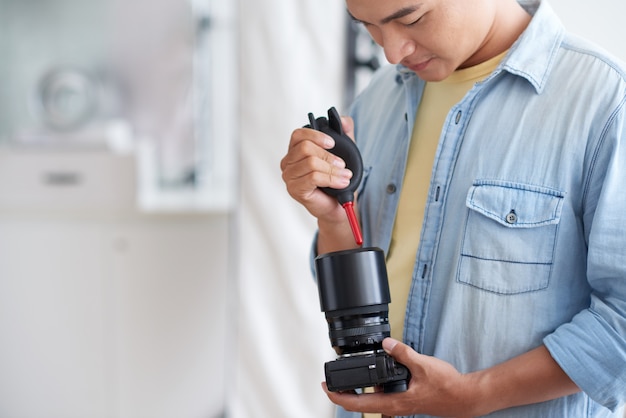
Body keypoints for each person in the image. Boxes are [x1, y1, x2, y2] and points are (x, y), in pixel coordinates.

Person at [280, 0, 626, 416]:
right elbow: (354, 298)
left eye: (410, 18)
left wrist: (476, 394)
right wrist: (332, 217)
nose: (391, 52)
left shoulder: (603, 103)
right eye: (368, 26)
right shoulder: (377, 101)